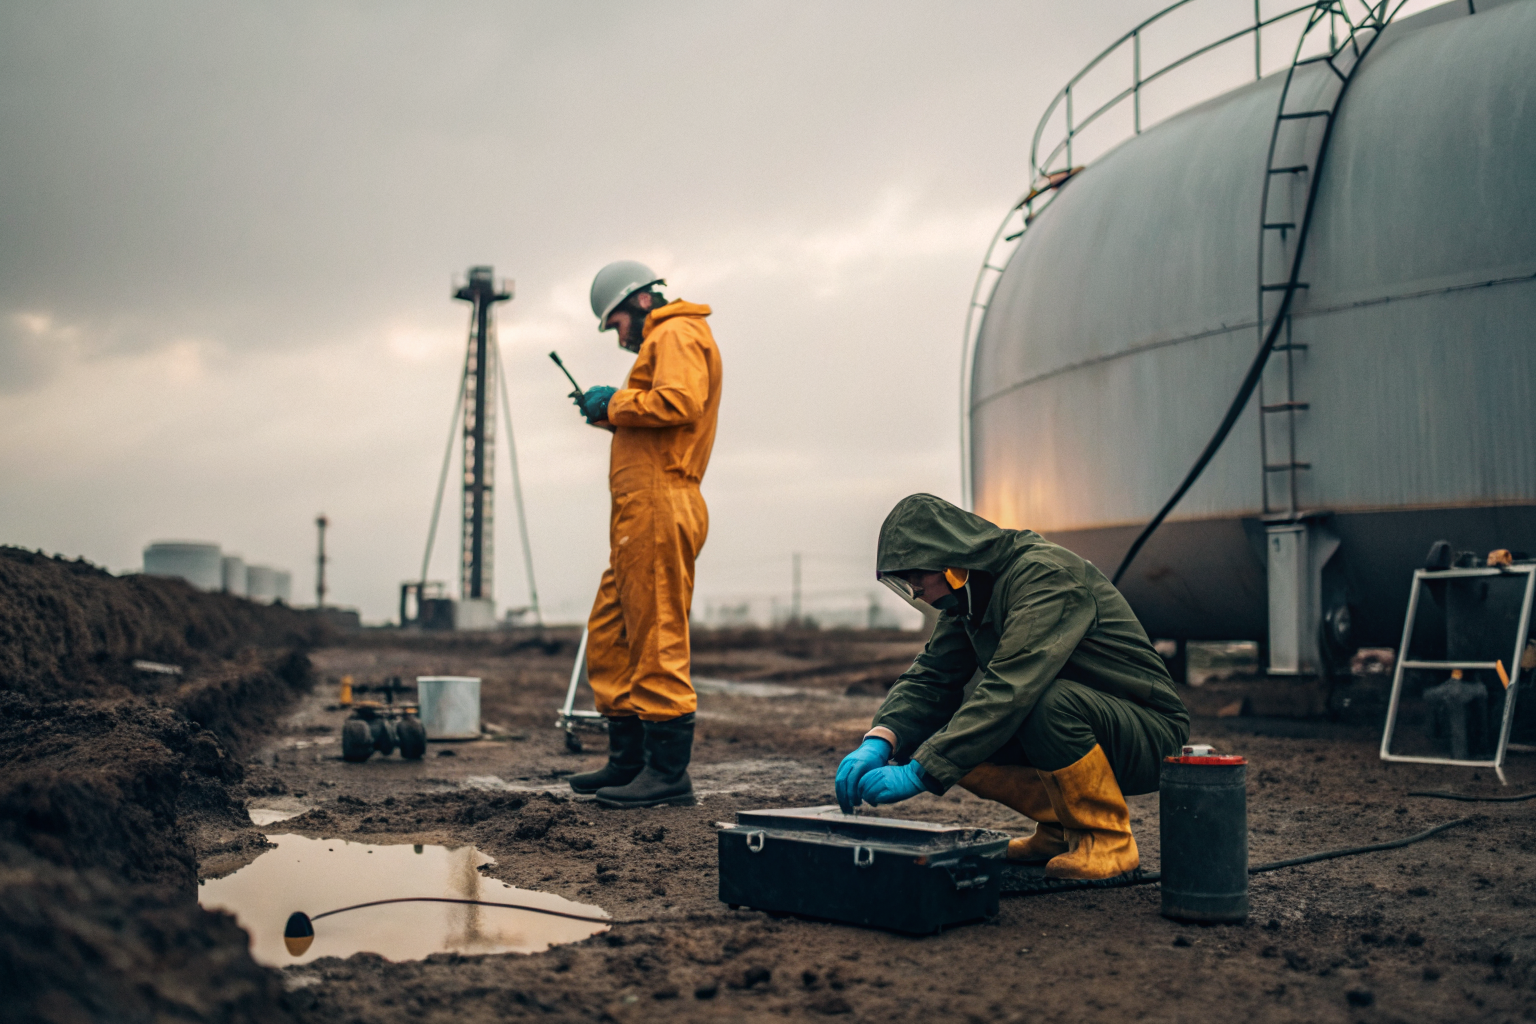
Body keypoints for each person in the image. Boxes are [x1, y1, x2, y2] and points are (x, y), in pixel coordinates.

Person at [834, 493, 1189, 879]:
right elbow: (931, 677)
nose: (916, 592)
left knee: (1039, 705)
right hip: (1083, 723)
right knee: (941, 734)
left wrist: (920, 772)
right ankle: (1060, 831)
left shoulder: (1045, 578)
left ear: (949, 562)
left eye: (916, 579)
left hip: (1149, 732)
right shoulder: (969, 597)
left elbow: (1011, 688)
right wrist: (881, 740)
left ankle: (1106, 839)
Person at [565, 260, 723, 809]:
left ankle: (667, 775)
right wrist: (606, 414)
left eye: (615, 324)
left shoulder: (675, 332)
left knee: (657, 637)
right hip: (638, 514)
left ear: (637, 302)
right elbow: (655, 419)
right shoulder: (663, 337)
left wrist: (613, 401)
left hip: (661, 501)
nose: (618, 338)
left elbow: (680, 402)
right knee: (611, 632)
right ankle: (629, 761)